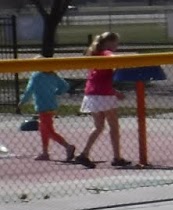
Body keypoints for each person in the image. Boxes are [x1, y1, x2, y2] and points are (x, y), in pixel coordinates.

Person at [76, 31, 131, 168]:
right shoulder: (105, 53)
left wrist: (115, 91)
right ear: (109, 42)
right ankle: (117, 157)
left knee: (99, 127)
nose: (116, 46)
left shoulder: (95, 54)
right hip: (103, 95)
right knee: (114, 127)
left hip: (92, 93)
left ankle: (84, 154)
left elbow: (99, 79)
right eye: (115, 43)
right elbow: (111, 57)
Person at [19, 66, 76, 163]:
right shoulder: (52, 74)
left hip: (42, 106)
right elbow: (65, 86)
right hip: (52, 105)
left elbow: (29, 90)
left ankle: (68, 146)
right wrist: (56, 92)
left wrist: (22, 102)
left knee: (48, 130)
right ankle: (45, 152)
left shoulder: (36, 76)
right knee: (43, 129)